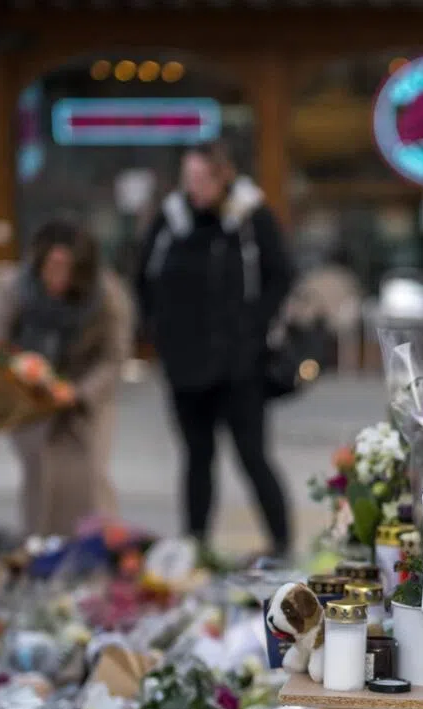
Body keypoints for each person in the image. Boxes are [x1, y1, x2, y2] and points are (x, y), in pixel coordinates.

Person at [138, 141, 294, 559]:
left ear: (223, 176)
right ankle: (196, 546)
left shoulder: (250, 217)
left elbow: (280, 276)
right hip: (185, 365)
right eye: (189, 179)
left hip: (240, 366)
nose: (195, 188)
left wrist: (252, 330)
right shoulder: (171, 220)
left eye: (203, 179)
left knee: (252, 455)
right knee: (196, 459)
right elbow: (144, 279)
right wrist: (160, 335)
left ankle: (281, 543)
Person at [0, 219, 133, 536]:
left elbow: (113, 356)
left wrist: (79, 392)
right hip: (29, 396)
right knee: (41, 474)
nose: (56, 275)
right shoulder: (19, 289)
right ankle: (40, 550)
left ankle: (96, 548)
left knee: (88, 475)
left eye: (65, 267)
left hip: (83, 394)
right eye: (51, 265)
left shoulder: (106, 296)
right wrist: (22, 372)